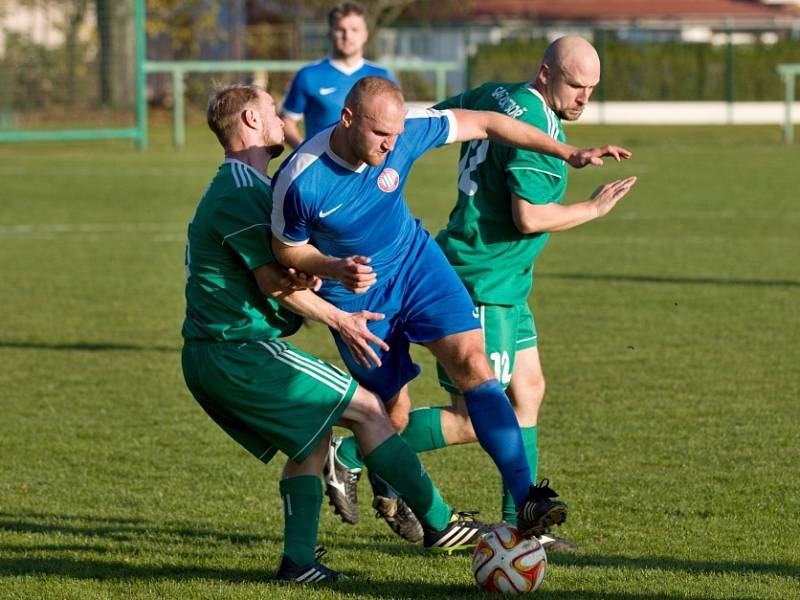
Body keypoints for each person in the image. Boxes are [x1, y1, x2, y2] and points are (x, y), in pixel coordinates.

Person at [270, 76, 630, 542]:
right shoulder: (301, 178)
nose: (392, 144)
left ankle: (527, 500)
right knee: (392, 415)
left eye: (398, 135)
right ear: (347, 119)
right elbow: (285, 250)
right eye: (382, 134)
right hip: (356, 298)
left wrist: (567, 152)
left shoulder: (406, 131)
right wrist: (333, 266)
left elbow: (486, 122)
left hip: (417, 265)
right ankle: (374, 476)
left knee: (475, 365)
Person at [181, 83, 494, 583]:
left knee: (311, 443)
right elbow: (273, 284)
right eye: (270, 110)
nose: (282, 116)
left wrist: (316, 272)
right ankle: (441, 524)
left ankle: (298, 565)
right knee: (370, 410)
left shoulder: (251, 188)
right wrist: (343, 318)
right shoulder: (241, 190)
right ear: (249, 122)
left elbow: (280, 277)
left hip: (224, 352)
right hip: (235, 350)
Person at [431, 35, 636, 550]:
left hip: (503, 282)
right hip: (485, 280)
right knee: (471, 418)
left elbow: (436, 119)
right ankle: (353, 451)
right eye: (575, 85)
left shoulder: (497, 94)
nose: (583, 98)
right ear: (545, 74)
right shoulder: (540, 129)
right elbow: (529, 218)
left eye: (592, 88)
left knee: (528, 391)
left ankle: (521, 527)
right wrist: (592, 209)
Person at [280, 2, 395, 148]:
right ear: (330, 33)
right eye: (341, 29)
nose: (347, 36)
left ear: (365, 34)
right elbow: (287, 121)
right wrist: (306, 153)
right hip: (324, 168)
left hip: (370, 168)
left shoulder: (383, 76)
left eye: (354, 29)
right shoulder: (308, 75)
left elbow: (397, 125)